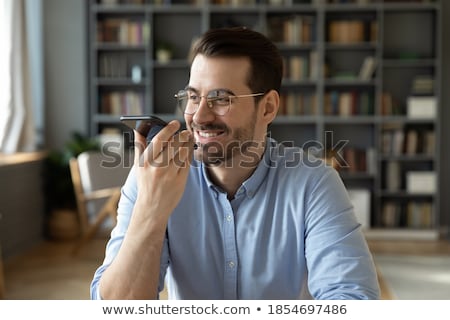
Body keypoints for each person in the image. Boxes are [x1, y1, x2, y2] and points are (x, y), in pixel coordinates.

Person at [91, 27, 380, 300]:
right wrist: (150, 210)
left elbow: (352, 298)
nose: (200, 117)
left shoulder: (314, 183)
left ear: (267, 107)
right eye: (193, 97)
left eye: (220, 99)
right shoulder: (152, 179)